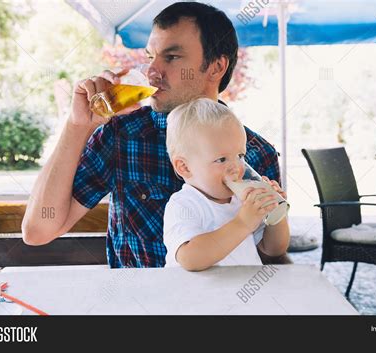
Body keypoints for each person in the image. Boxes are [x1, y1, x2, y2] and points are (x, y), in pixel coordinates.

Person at [21, 2, 286, 267]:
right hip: (139, 305)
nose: (151, 72)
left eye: (171, 58)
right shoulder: (121, 136)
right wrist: (77, 126)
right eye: (150, 57)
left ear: (216, 67)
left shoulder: (257, 152)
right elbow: (38, 231)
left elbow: (269, 253)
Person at [163, 98, 290, 270]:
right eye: (221, 159)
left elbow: (273, 250)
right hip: (197, 296)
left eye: (240, 156)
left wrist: (275, 214)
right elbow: (190, 259)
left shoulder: (242, 200)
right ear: (184, 167)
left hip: (242, 292)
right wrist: (243, 223)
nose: (236, 168)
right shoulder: (184, 204)